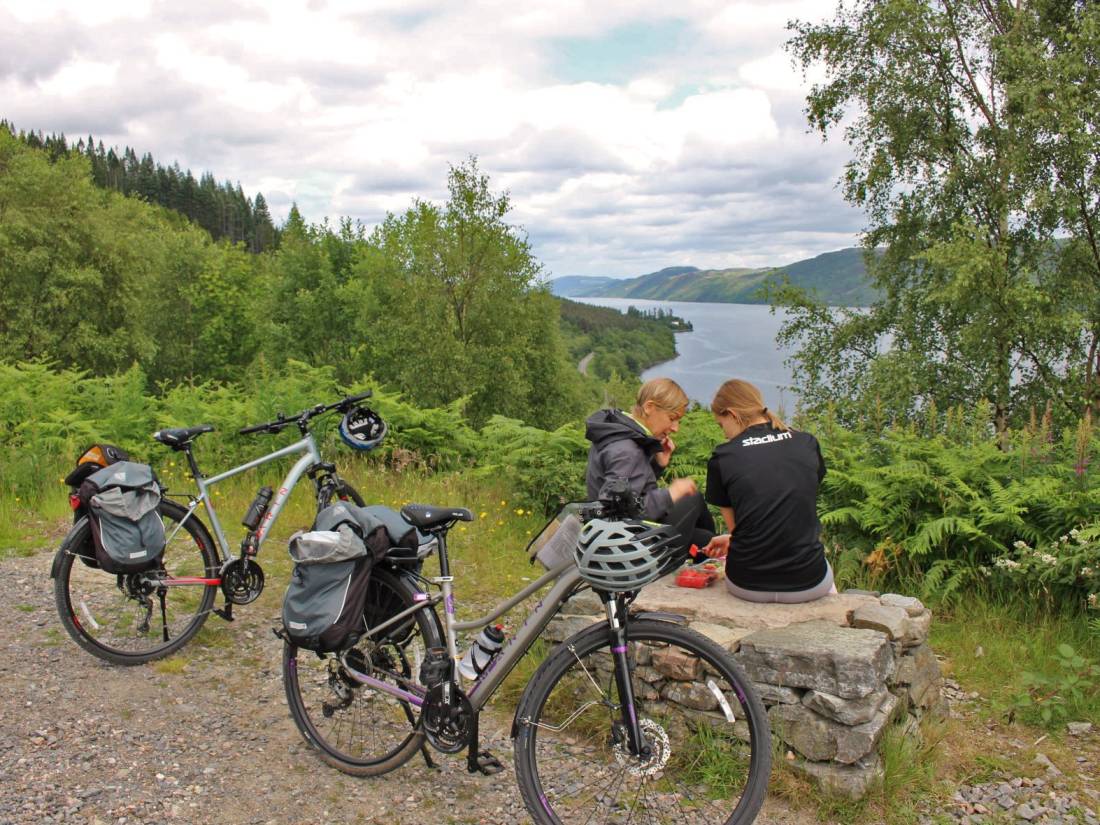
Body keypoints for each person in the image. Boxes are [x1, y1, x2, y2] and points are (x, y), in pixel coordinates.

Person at [701, 379, 835, 603]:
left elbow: (738, 531)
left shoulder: (723, 457)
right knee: (822, 564)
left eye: (721, 424)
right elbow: (797, 503)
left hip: (747, 584)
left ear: (733, 414)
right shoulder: (807, 442)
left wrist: (733, 539)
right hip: (809, 583)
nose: (724, 434)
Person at [585, 378, 715, 551]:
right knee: (693, 503)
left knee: (704, 538)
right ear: (649, 407)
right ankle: (712, 561)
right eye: (672, 418)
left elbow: (629, 487)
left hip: (624, 534)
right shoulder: (627, 450)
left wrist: (657, 465)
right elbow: (616, 513)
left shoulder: (619, 431)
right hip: (623, 546)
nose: (675, 428)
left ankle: (710, 556)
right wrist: (669, 494)